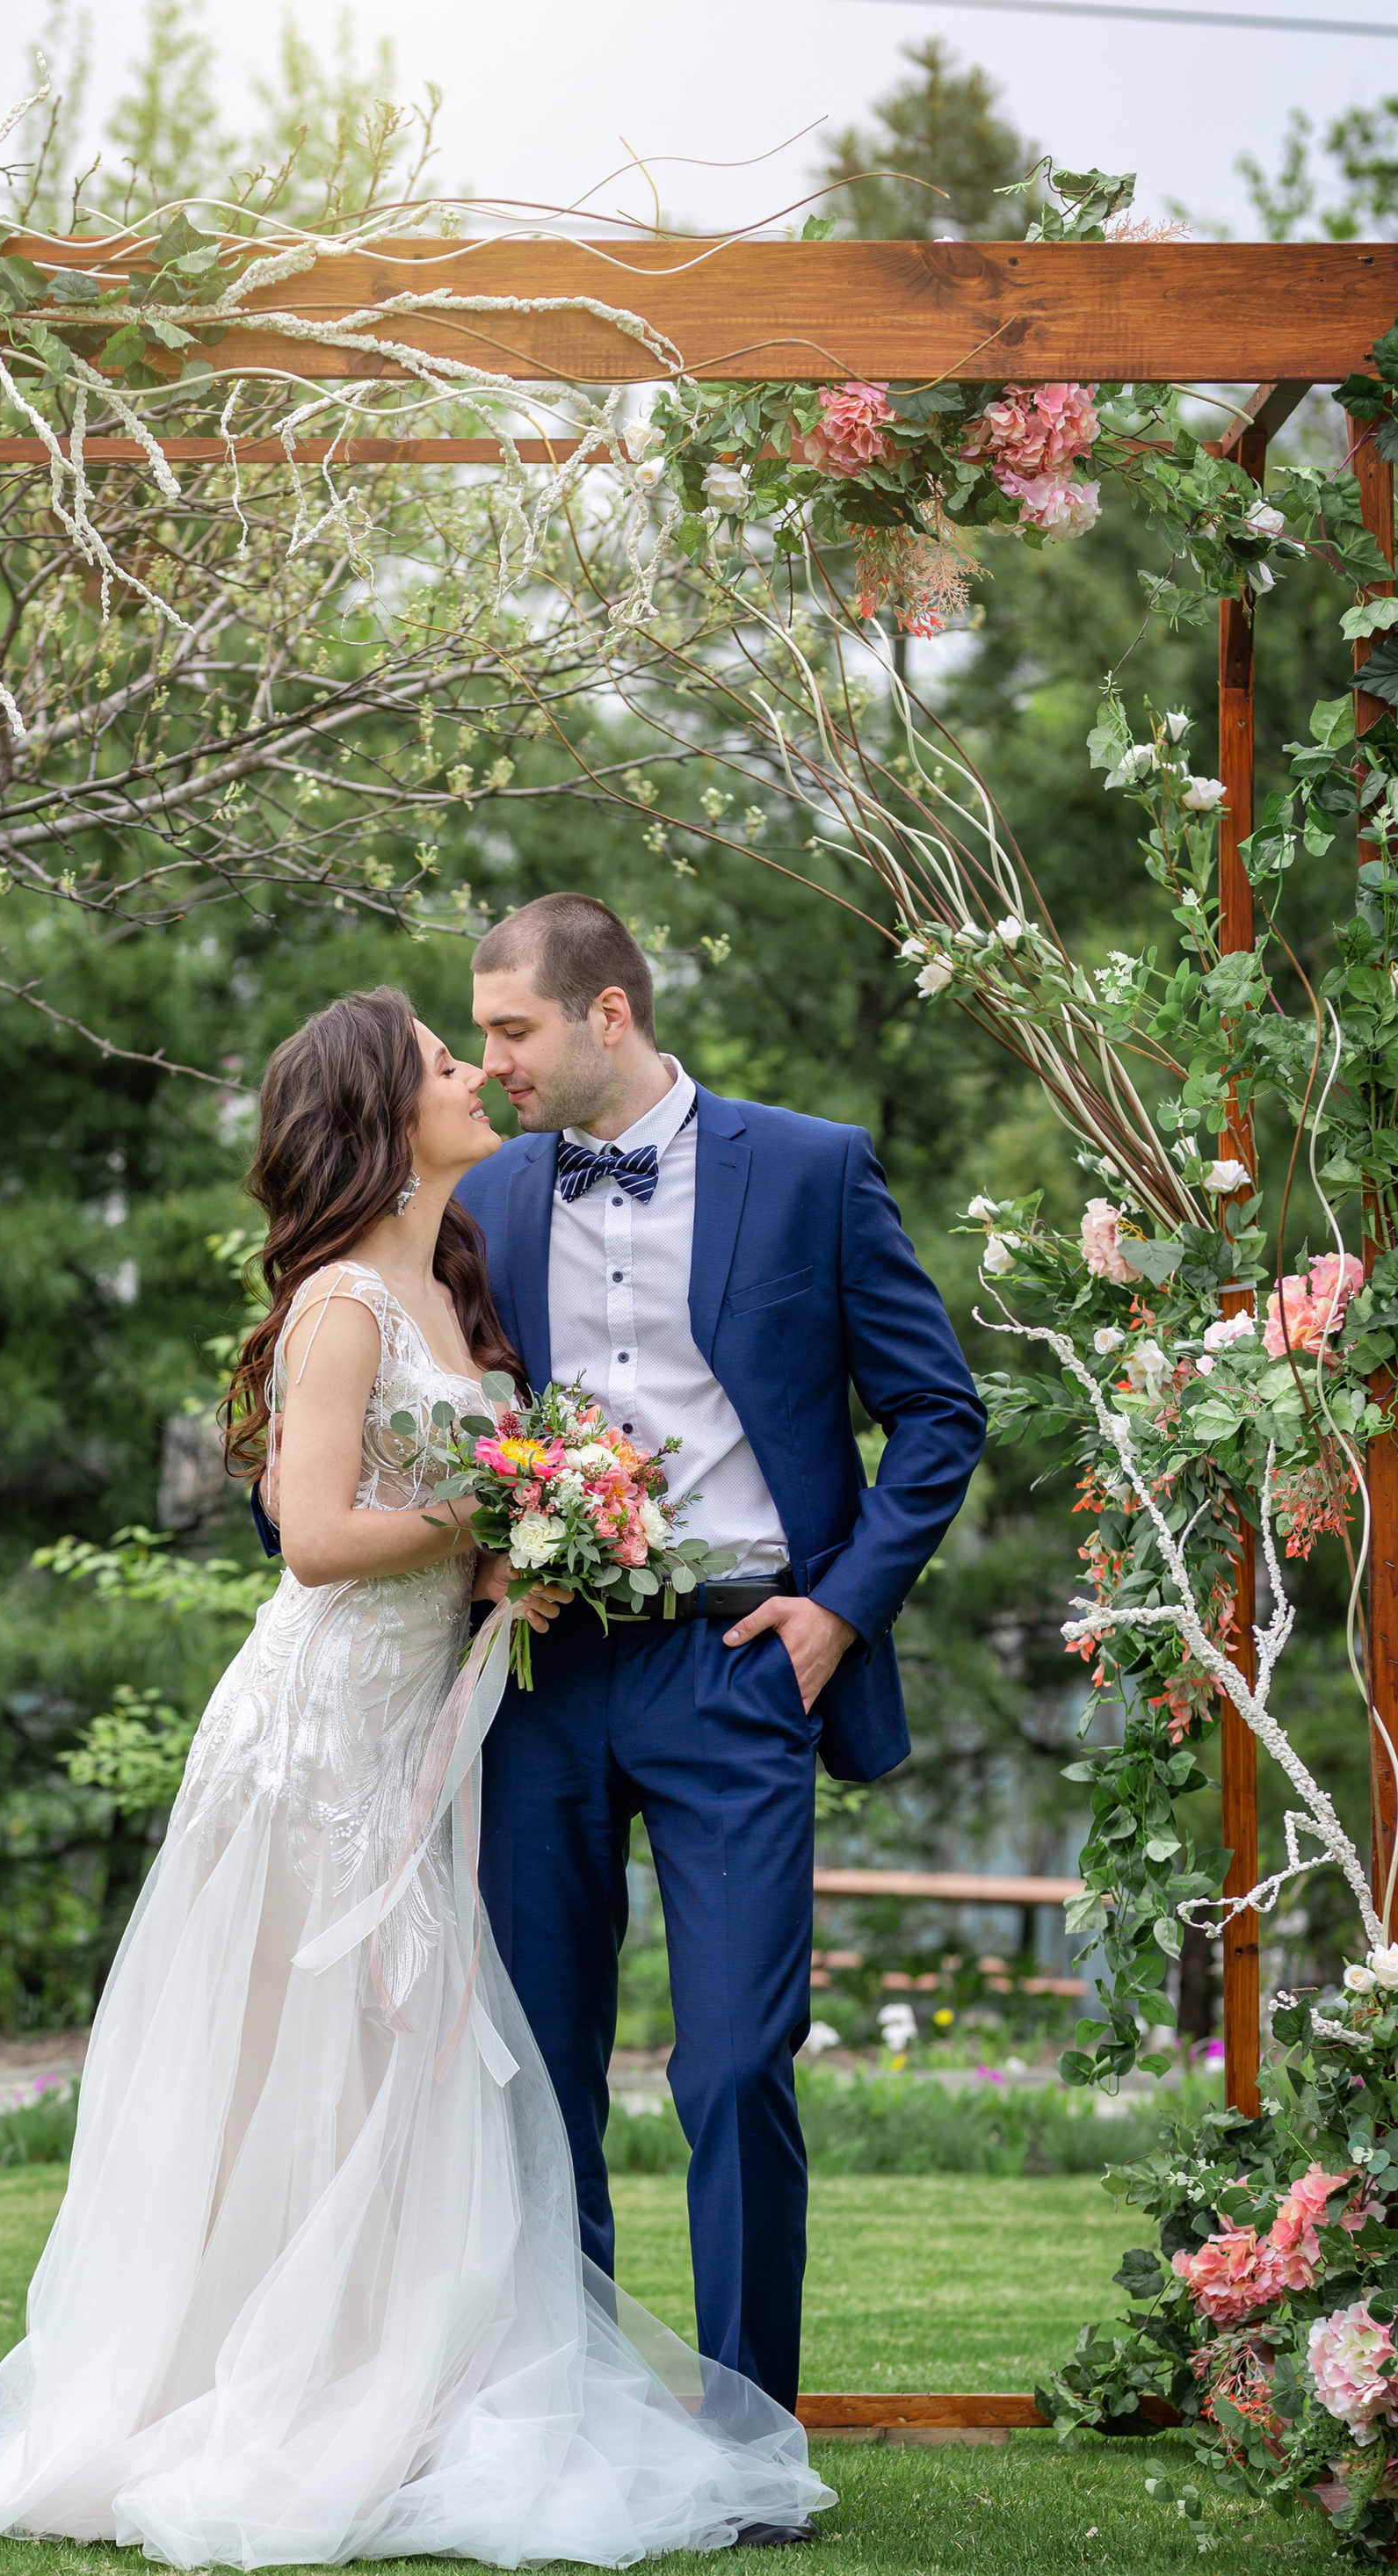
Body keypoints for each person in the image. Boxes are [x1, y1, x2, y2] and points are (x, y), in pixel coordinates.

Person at [0, 986, 831, 2568]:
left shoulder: (457, 1279)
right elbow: (322, 1539)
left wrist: (514, 1559)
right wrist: (501, 1522)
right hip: (322, 1729)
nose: (476, 1075)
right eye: (442, 1063)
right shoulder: (341, 1304)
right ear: (381, 1116)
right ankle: (264, 2389)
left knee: (395, 2066)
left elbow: (431, 1514)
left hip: (426, 1718)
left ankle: (398, 2377)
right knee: (307, 2059)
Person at [456, 894, 986, 2420]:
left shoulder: (812, 1169)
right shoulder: (484, 1193)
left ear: (607, 1012)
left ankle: (752, 2429)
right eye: (482, 1036)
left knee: (739, 2060)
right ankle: (571, 2414)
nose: (494, 1065)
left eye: (514, 1031)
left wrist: (842, 1608)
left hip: (741, 1663)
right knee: (541, 2073)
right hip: (545, 1678)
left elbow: (939, 1411)